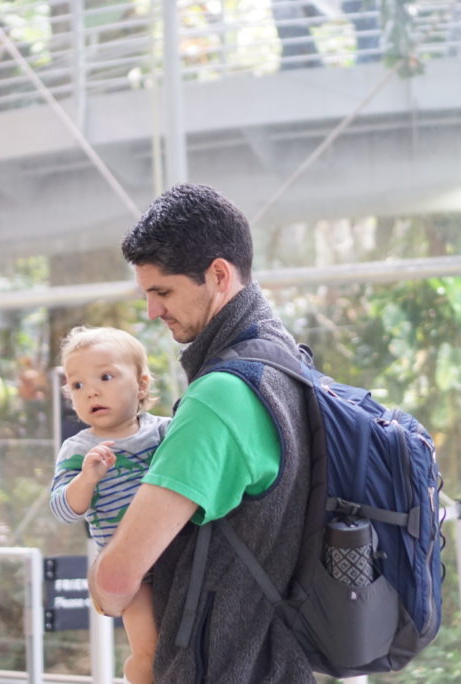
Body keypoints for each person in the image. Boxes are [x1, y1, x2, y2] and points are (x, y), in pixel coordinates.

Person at [87, 183, 314, 682]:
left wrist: (101, 580)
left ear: (217, 274)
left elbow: (119, 576)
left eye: (162, 291)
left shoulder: (222, 397)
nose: (152, 311)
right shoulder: (288, 365)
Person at [49, 325, 169, 684]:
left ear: (142, 384)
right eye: (78, 385)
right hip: (131, 571)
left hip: (179, 555)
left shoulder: (165, 431)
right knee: (149, 654)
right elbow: (62, 509)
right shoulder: (78, 450)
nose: (92, 391)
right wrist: (86, 479)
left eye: (105, 376)